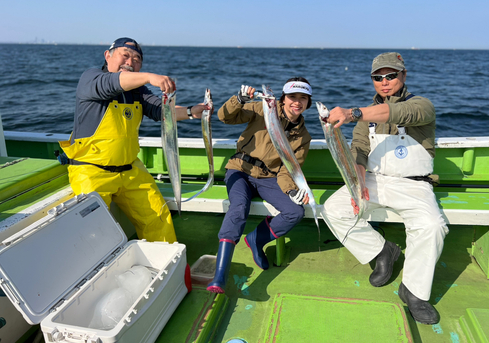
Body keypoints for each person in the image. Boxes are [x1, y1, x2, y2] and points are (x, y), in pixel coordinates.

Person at [321, 52, 448, 324]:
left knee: (431, 226)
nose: (384, 82)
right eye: (378, 77)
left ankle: (414, 292)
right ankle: (382, 251)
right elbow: (359, 151)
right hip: (374, 180)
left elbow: (399, 112)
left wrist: (353, 113)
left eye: (391, 75)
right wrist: (357, 184)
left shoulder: (421, 105)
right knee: (333, 209)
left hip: (414, 184)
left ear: (403, 75)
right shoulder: (367, 116)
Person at [59, 37, 208, 243]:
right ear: (108, 55)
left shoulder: (136, 90)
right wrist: (148, 77)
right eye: (125, 55)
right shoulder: (91, 78)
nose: (130, 62)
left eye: (137, 59)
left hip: (130, 169)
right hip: (91, 170)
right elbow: (111, 83)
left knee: (158, 217)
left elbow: (160, 111)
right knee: (92, 231)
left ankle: (167, 265)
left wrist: (192, 111)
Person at [207, 77, 313, 294]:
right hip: (240, 170)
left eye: (303, 98)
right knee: (238, 209)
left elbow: (288, 169)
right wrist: (239, 99)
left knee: (295, 211)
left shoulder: (303, 136)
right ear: (283, 99)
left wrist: (291, 190)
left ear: (308, 103)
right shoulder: (262, 109)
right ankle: (219, 275)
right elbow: (224, 117)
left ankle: (256, 239)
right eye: (293, 97)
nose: (297, 102)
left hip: (269, 178)